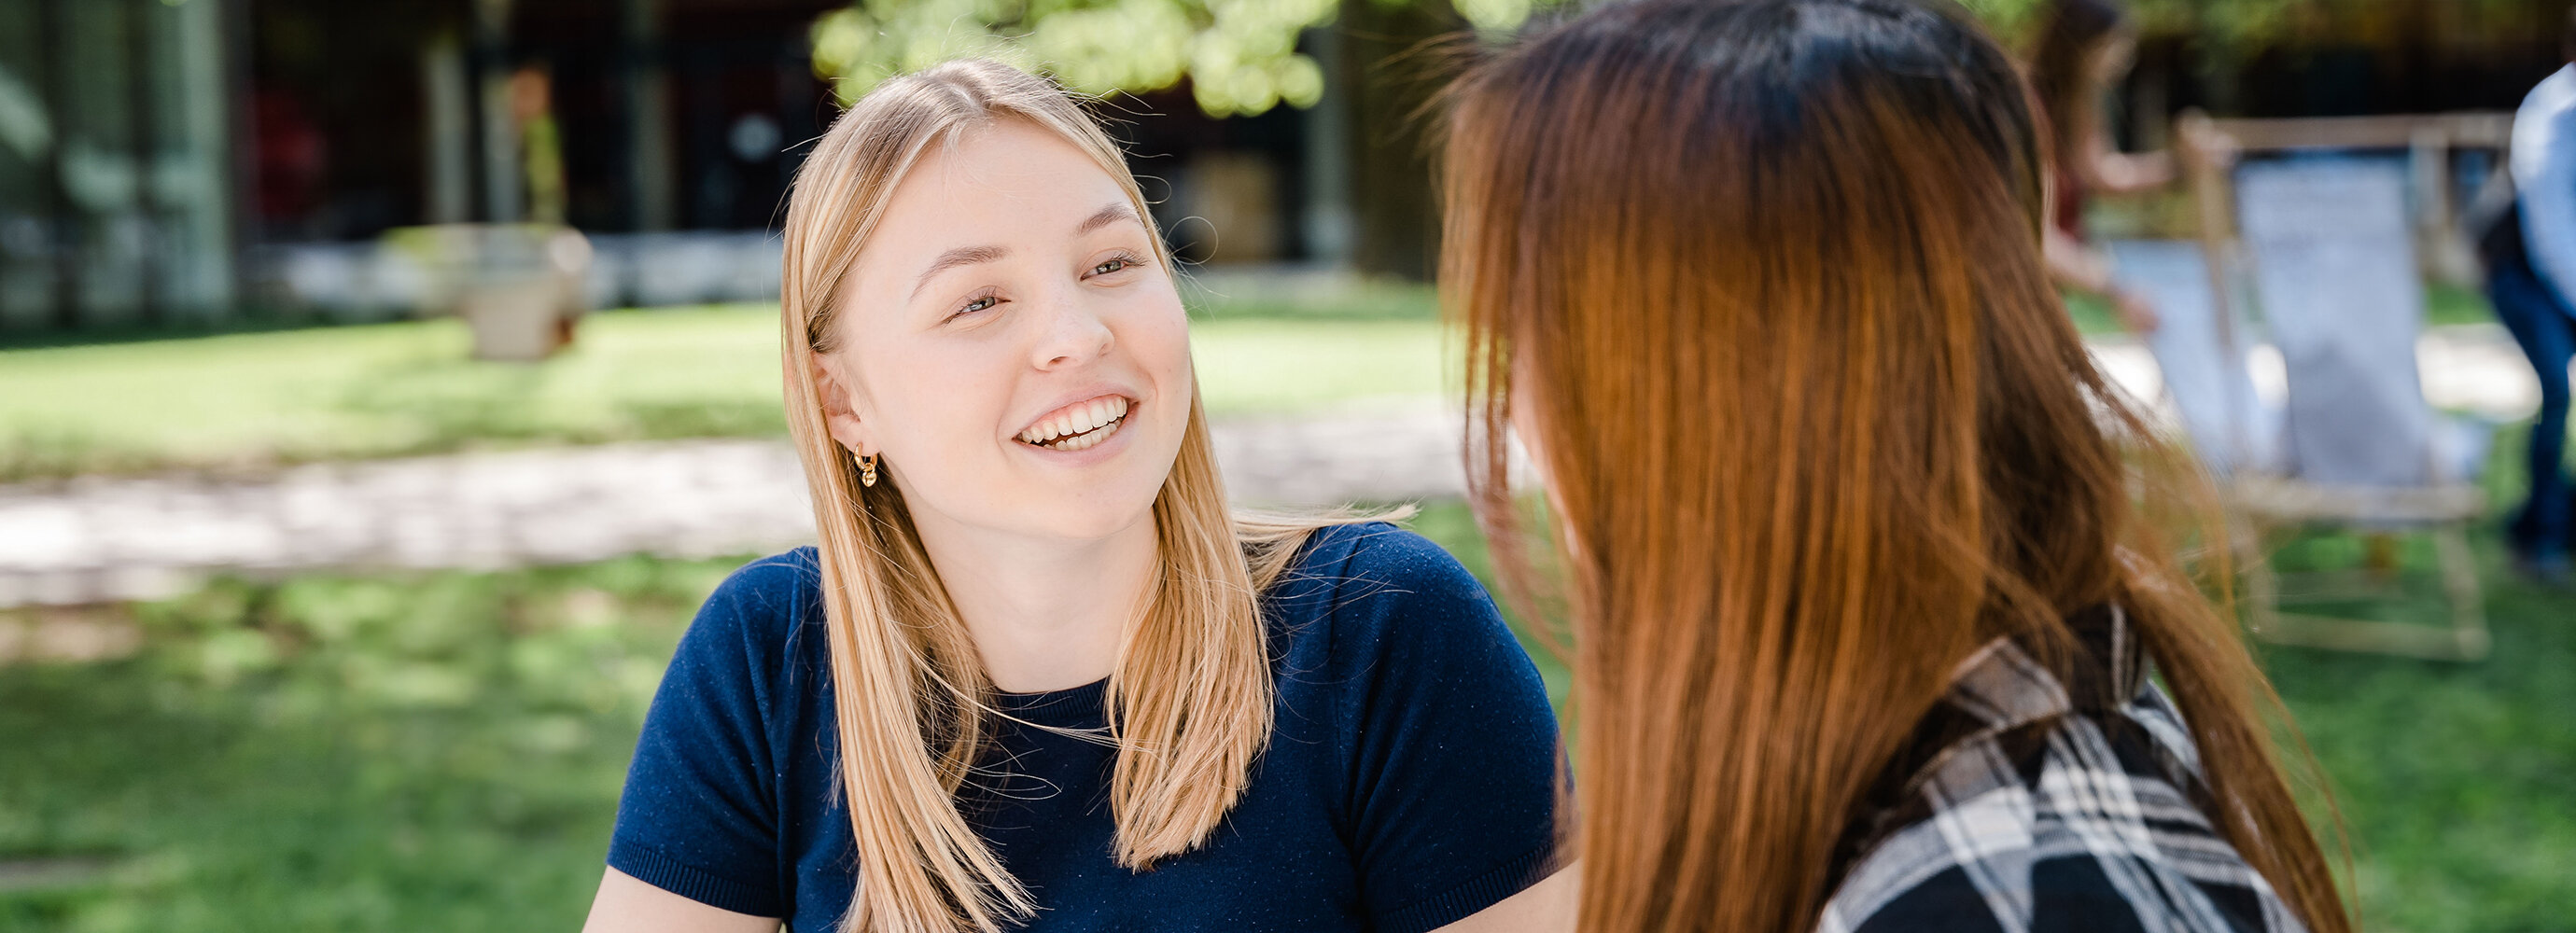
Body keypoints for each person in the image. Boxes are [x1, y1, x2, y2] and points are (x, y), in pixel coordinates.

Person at [581, 60, 1571, 933]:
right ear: (844, 401)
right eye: (979, 301)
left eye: (1111, 264)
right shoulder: (772, 660)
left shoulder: (1384, 634)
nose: (1077, 332)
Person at [1438, 2, 2351, 931]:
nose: (1514, 407)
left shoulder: (2012, 895)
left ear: (1717, 396)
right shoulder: (1875, 757)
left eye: (1534, 335)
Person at [2026, 0, 2226, 334]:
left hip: (2046, 296)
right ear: (2081, 47)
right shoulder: (2033, 112)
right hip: (2017, 296)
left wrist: (2183, 166)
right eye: (2115, 46)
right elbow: (2040, 241)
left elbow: (2104, 173)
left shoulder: (2079, 101)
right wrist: (2118, 290)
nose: (2124, 59)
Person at [2484, 10, 2576, 580]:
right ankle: (2537, 543)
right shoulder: (2554, 110)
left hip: (2565, 278)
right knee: (2556, 391)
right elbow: (2551, 228)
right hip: (2526, 274)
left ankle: (2543, 519)